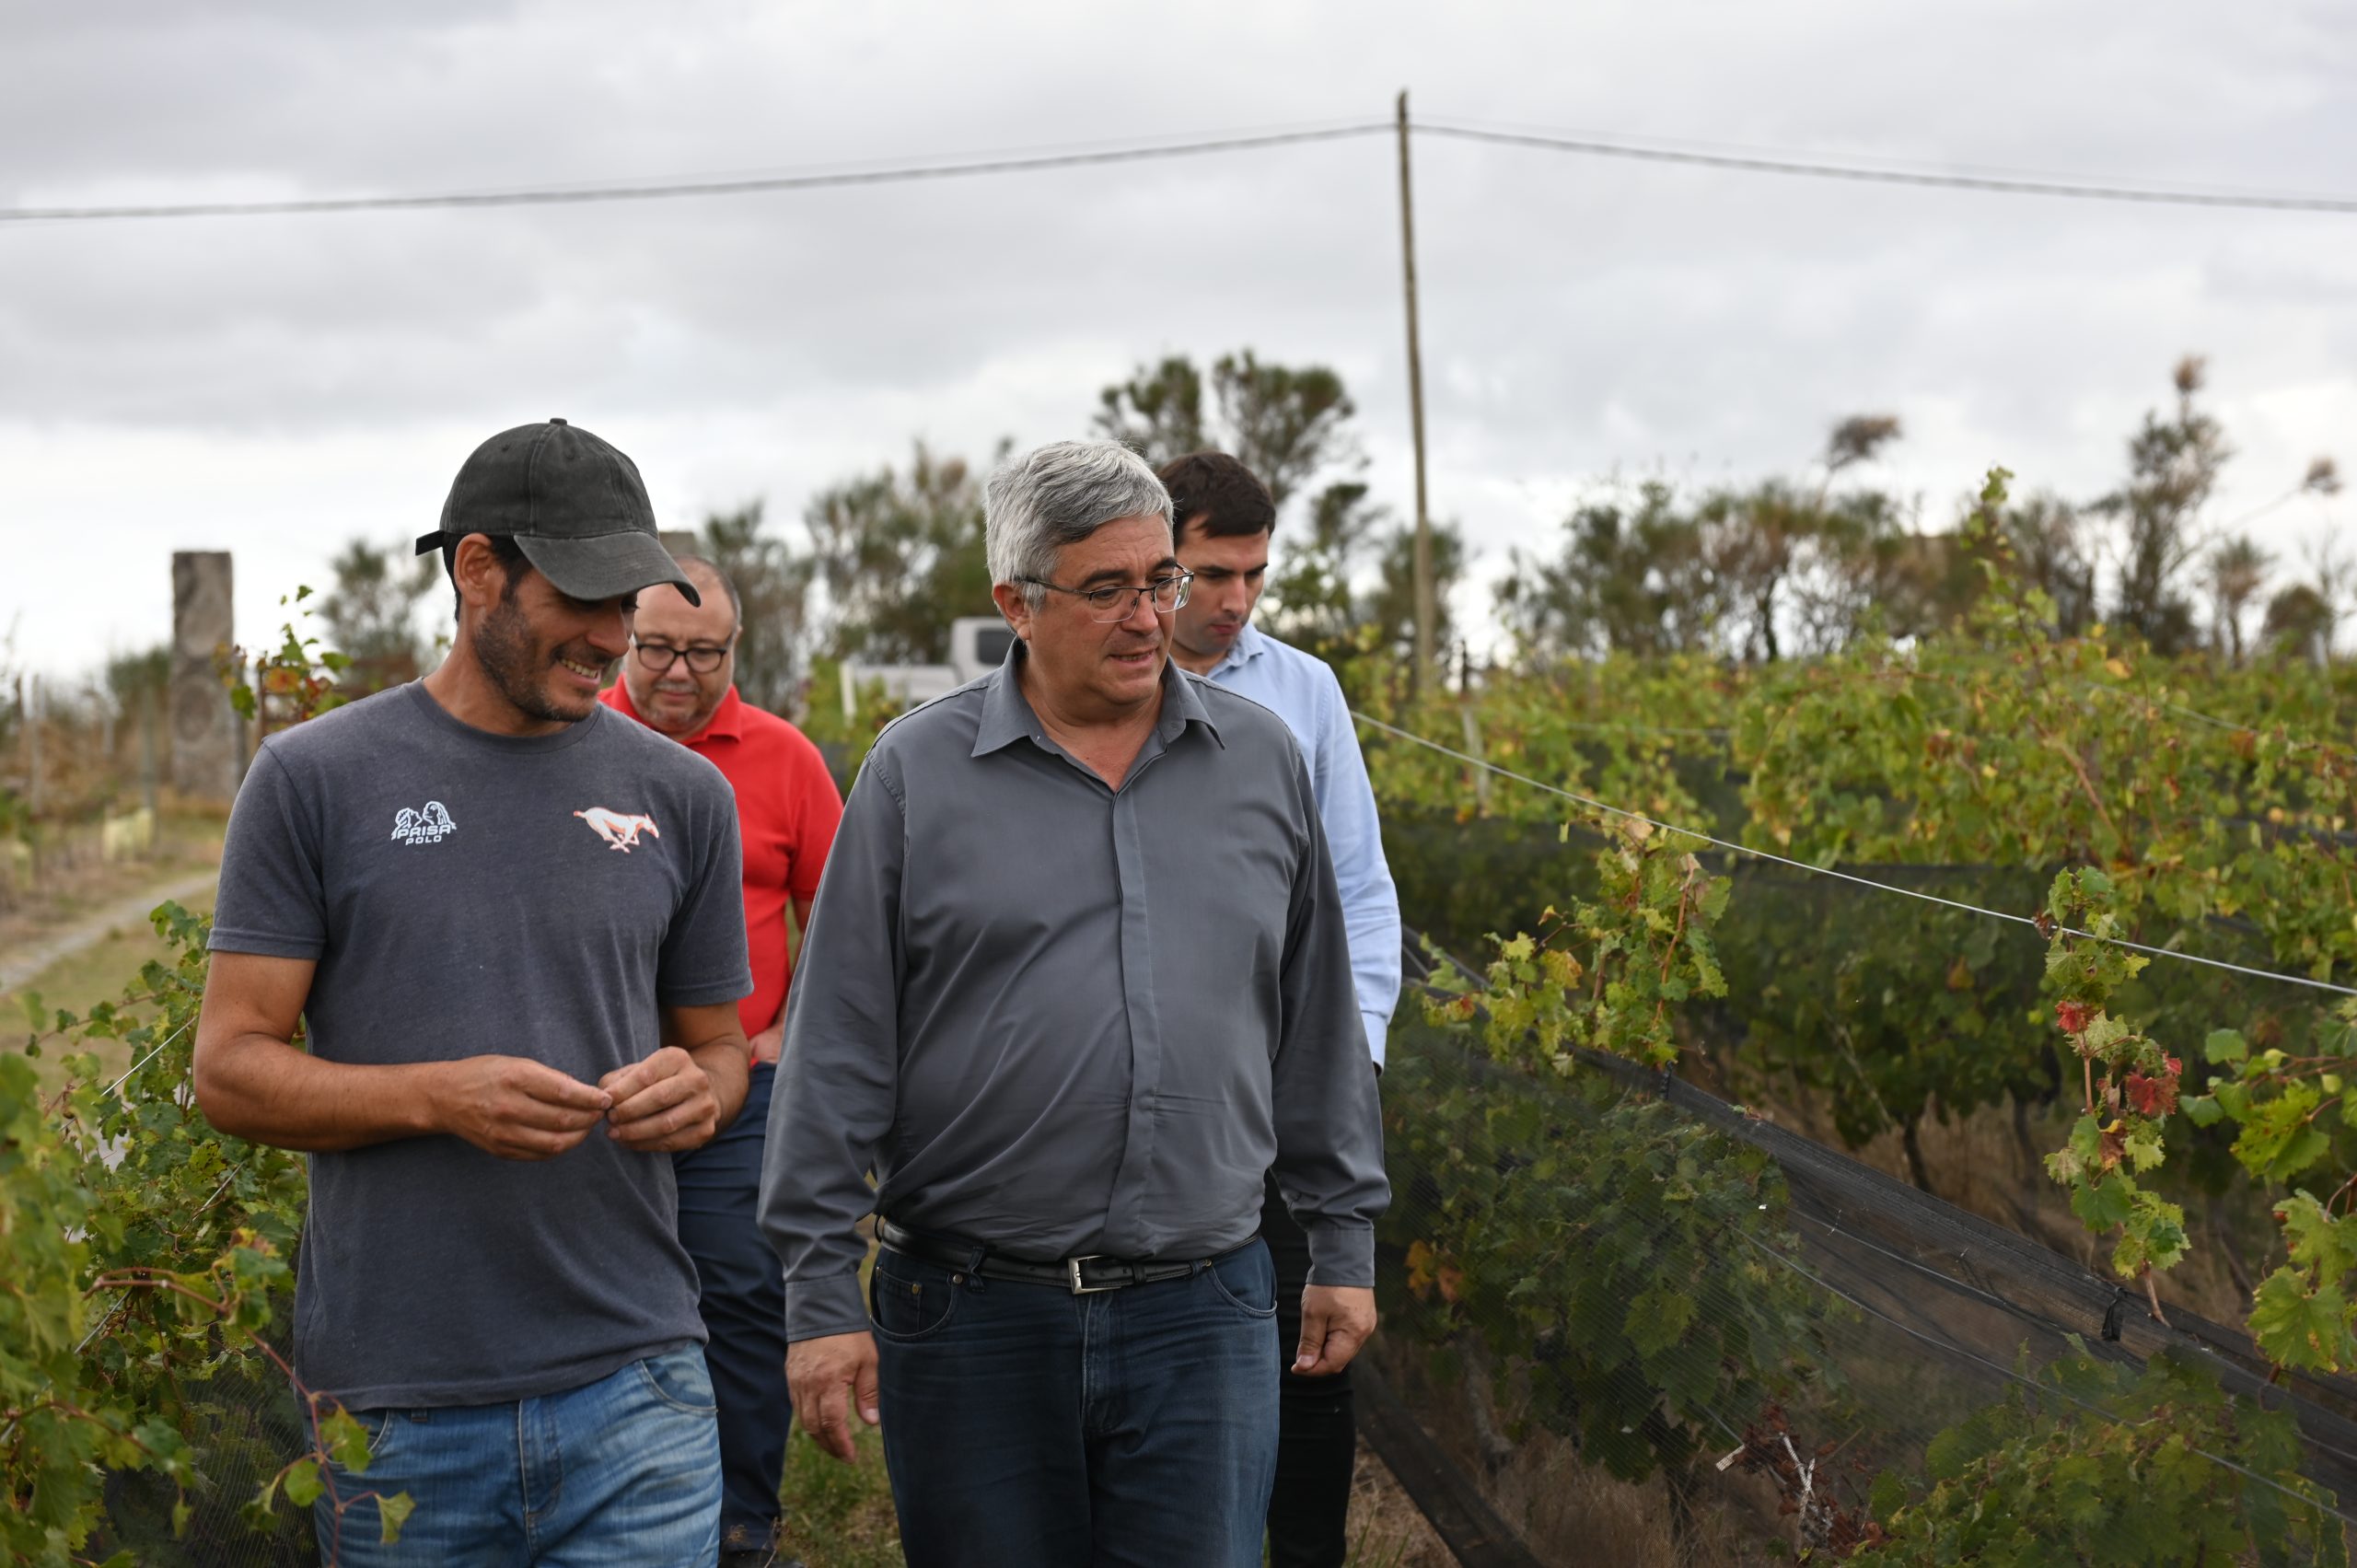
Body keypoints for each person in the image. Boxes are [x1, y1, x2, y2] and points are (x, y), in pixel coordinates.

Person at [759, 439, 1390, 1568]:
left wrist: (1341, 1235)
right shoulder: (915, 776)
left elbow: (1316, 1025)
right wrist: (817, 1292)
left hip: (1204, 1308)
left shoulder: (1263, 760)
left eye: (1161, 581)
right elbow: (837, 1050)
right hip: (970, 1315)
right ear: (1017, 600)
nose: (1148, 617)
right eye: (1107, 590)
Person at [192, 417, 754, 1567]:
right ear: (478, 569)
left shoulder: (683, 793)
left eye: (626, 601)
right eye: (584, 600)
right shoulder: (314, 779)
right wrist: (438, 1096)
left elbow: (721, 1048)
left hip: (638, 1386)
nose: (614, 637)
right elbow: (230, 1069)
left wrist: (698, 1091)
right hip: (401, 1407)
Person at [1156, 451, 1402, 1566]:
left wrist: (1349, 1066)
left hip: (1283, 1096)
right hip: (1151, 1093)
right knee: (1164, 1349)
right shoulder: (1083, 686)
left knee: (1309, 1358)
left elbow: (1358, 884)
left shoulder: (1304, 691)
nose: (1235, 600)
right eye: (1211, 572)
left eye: (1254, 573)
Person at [602, 557, 844, 1566]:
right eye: (656, 646)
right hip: (594, 1088)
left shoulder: (784, 758)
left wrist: (791, 1028)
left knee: (741, 1283)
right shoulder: (572, 741)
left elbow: (844, 914)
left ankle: (739, 1519)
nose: (678, 670)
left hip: (736, 1080)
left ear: (733, 651)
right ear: (623, 637)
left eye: (704, 652)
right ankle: (619, 1499)